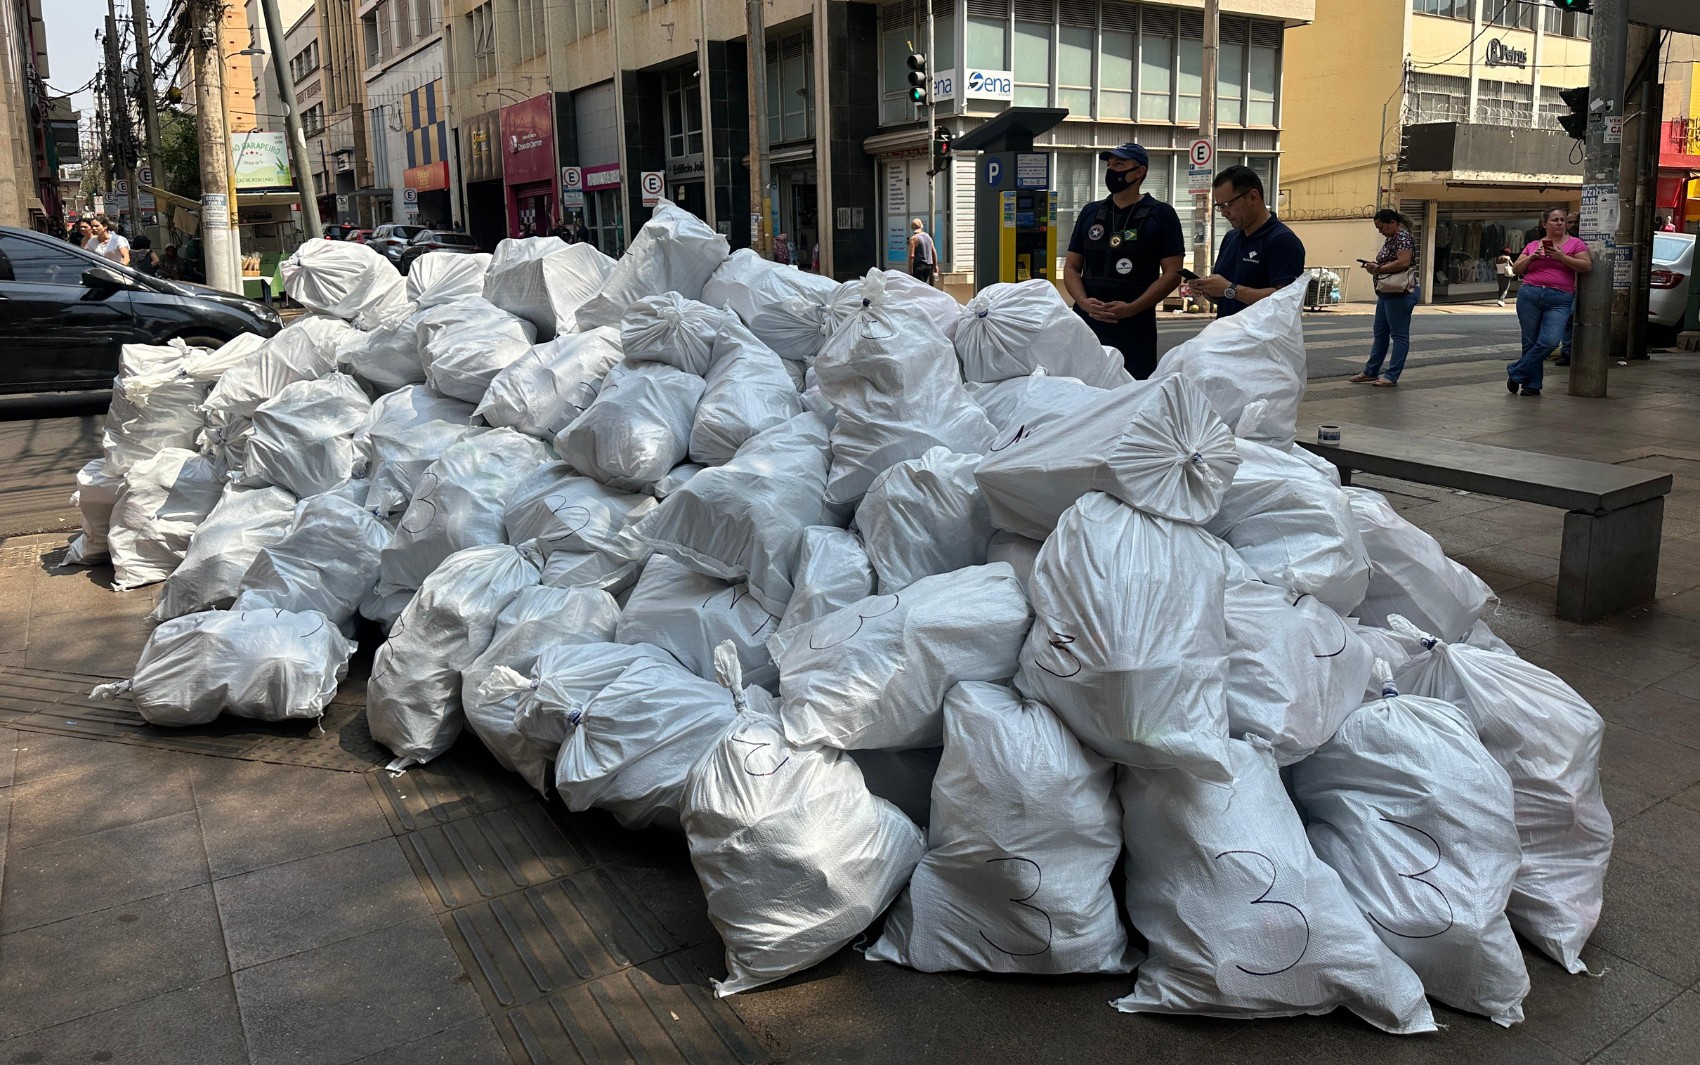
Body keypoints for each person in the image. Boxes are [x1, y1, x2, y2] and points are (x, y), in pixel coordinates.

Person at [1062, 143, 1185, 380]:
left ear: (1139, 172)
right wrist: (1083, 302)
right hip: (1088, 323)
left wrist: (1132, 308)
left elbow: (1172, 273)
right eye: (1109, 165)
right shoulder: (1091, 212)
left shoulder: (1161, 215)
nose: (1112, 171)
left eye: (1119, 164)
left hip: (1135, 326)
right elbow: (1071, 267)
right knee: (1082, 388)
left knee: (1132, 391)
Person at [1191, 164, 1305, 318]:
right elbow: (1225, 297)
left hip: (1262, 339)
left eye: (1228, 205)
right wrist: (1207, 290)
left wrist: (1230, 289)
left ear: (1253, 197)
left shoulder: (1282, 240)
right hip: (1225, 335)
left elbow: (1284, 301)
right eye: (1220, 207)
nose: (1224, 213)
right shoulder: (1231, 238)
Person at [1507, 206, 1591, 397]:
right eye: (1555, 220)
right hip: (1530, 294)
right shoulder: (1533, 245)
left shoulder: (1575, 244)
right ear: (1545, 224)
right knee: (1529, 342)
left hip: (1560, 298)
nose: (1560, 223)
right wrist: (1532, 257)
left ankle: (1516, 371)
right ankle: (1532, 385)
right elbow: (1517, 269)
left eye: (1562, 220)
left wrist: (1562, 257)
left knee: (1550, 341)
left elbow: (1586, 266)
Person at [1349, 209, 1419, 387]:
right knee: (1380, 333)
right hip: (1386, 291)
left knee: (1399, 335)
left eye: (1382, 227)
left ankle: (1391, 375)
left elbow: (1403, 262)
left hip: (1400, 293)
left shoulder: (1403, 237)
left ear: (1393, 223)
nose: (1380, 231)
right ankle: (1371, 371)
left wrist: (1378, 269)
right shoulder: (1391, 239)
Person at [908, 218, 937, 284]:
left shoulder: (914, 239)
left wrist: (910, 270)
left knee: (917, 286)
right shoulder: (928, 237)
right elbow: (933, 252)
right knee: (923, 284)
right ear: (921, 226)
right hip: (928, 266)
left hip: (919, 266)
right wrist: (935, 266)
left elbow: (911, 256)